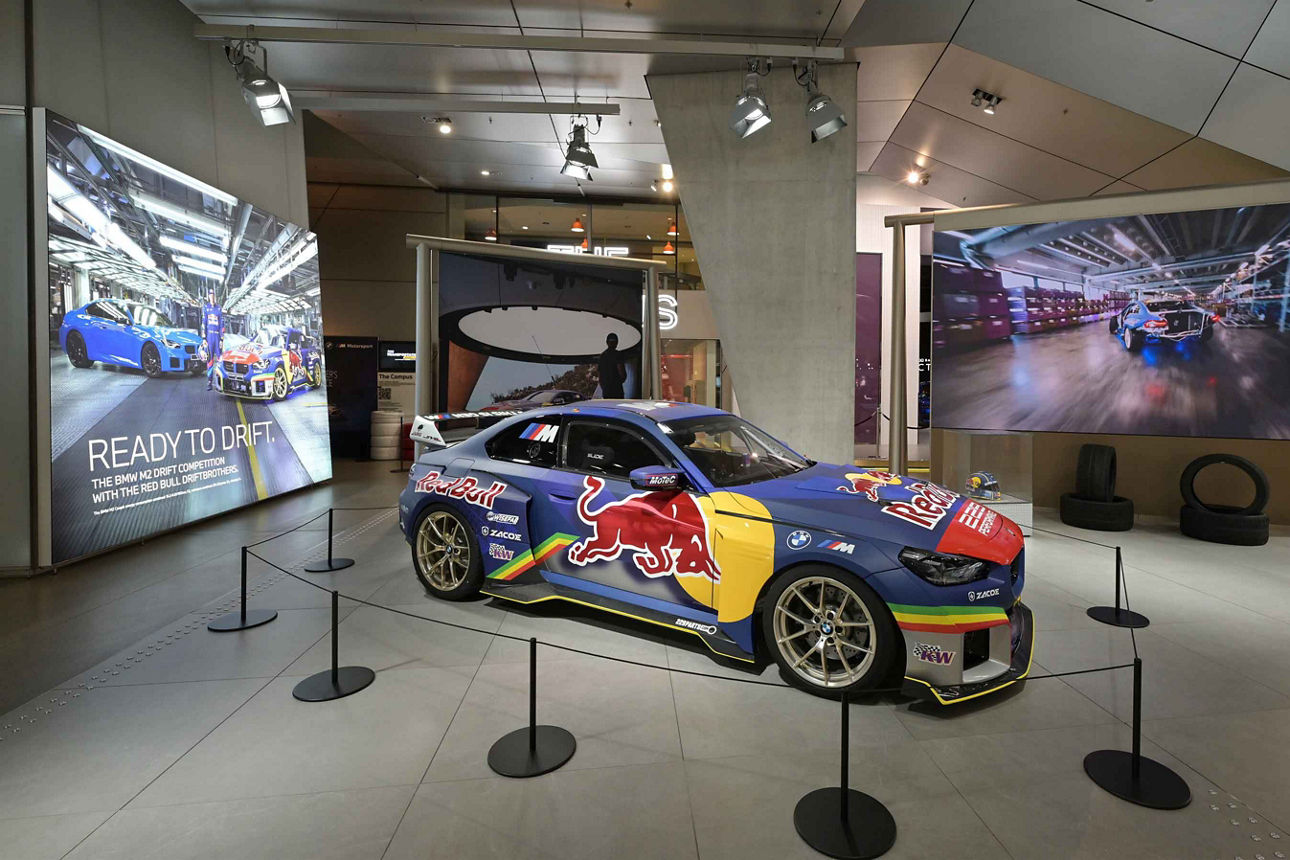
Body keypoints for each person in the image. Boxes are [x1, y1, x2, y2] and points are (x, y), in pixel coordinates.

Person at [202, 289, 224, 390]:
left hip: (217, 337)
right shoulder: (206, 308)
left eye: (213, 295)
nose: (212, 297)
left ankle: (220, 382)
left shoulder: (219, 309)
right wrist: (204, 338)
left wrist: (221, 339)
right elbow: (204, 324)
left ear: (215, 296)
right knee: (209, 360)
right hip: (209, 338)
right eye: (210, 295)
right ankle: (209, 381)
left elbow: (222, 325)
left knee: (220, 360)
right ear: (208, 296)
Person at [597, 332, 626, 399]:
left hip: (606, 391)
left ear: (607, 342)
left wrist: (604, 387)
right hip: (617, 390)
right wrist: (621, 380)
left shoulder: (602, 356)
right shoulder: (618, 355)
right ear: (617, 343)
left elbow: (599, 374)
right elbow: (621, 371)